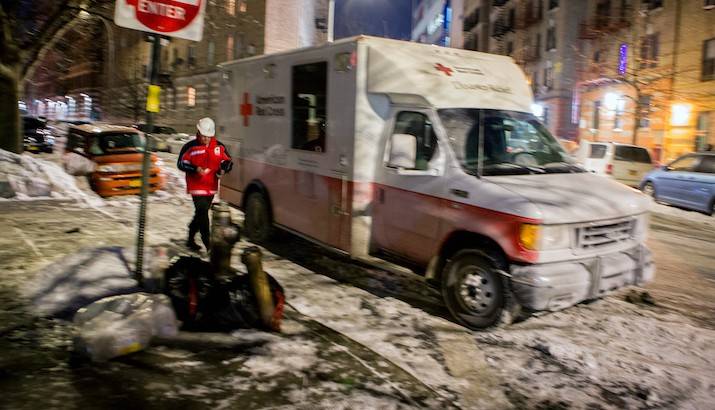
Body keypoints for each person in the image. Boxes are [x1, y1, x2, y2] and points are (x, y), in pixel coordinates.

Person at [177, 117, 233, 252]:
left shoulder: (219, 147)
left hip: (211, 187)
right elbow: (181, 163)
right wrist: (195, 169)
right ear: (198, 132)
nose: (206, 139)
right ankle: (208, 244)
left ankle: (190, 238)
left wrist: (223, 168)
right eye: (203, 136)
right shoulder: (189, 146)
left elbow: (228, 162)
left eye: (209, 136)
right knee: (202, 212)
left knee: (200, 214)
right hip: (196, 186)